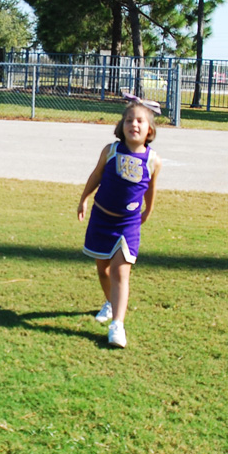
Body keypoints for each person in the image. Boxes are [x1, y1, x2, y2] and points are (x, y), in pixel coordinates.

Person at [77, 100, 162, 349]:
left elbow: (150, 189)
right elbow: (96, 176)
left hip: (128, 224)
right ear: (121, 126)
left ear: (150, 130)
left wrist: (149, 210)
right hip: (101, 219)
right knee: (103, 270)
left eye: (139, 121)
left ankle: (117, 326)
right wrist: (83, 199)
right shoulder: (111, 151)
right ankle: (110, 302)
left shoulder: (153, 160)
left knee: (120, 271)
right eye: (128, 120)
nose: (133, 124)